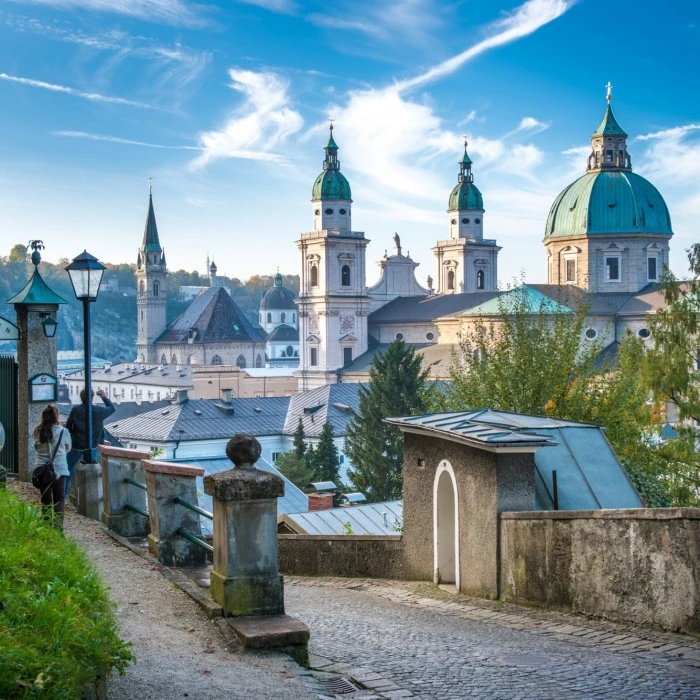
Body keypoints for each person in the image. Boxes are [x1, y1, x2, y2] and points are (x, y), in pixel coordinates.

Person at [65, 388, 116, 496]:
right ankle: (96, 496)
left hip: (76, 445)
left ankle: (63, 496)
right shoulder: (98, 411)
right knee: (97, 472)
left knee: (67, 472)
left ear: (81, 397)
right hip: (94, 446)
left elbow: (68, 427)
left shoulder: (76, 410)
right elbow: (112, 408)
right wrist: (104, 396)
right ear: (93, 398)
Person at [33, 404, 72, 528]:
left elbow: (36, 447)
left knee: (45, 499)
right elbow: (68, 448)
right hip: (60, 470)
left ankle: (46, 526)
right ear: (57, 416)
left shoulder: (37, 431)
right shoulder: (64, 432)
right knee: (59, 499)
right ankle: (58, 528)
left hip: (42, 470)